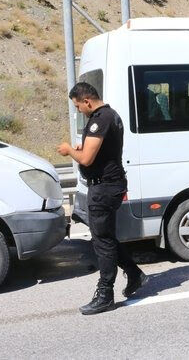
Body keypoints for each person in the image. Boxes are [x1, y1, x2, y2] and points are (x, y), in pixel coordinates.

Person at [57, 82, 147, 315]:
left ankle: (105, 294)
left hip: (104, 188)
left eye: (78, 106)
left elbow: (86, 159)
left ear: (87, 101)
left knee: (102, 242)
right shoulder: (110, 115)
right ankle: (135, 274)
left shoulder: (100, 119)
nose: (78, 111)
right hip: (110, 185)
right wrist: (83, 148)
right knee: (105, 237)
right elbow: (97, 152)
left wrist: (69, 150)